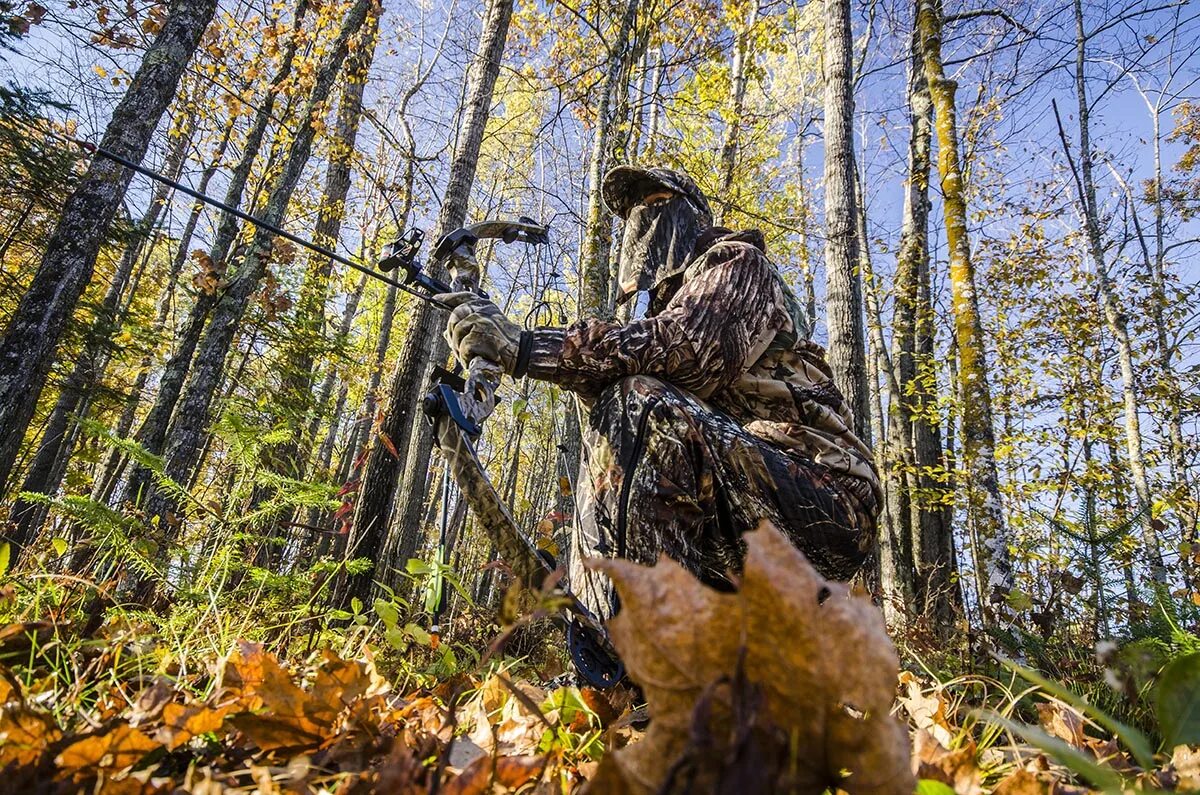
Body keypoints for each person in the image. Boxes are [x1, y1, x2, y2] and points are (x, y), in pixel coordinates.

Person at [438, 166, 880, 618]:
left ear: (689, 215)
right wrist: (496, 339)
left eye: (654, 205)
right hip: (739, 505)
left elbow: (684, 347)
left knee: (639, 402)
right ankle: (621, 659)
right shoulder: (664, 314)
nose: (641, 220)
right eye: (632, 212)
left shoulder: (737, 263)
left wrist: (525, 346)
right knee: (620, 423)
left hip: (827, 500)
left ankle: (635, 645)